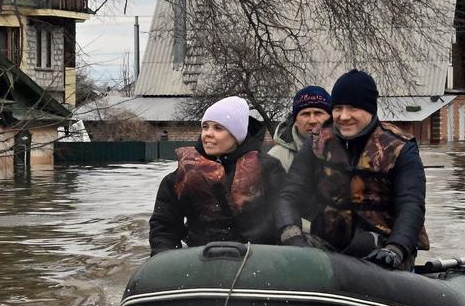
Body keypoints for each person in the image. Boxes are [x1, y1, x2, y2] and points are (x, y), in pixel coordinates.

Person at [276, 69, 429, 270]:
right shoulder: (316, 141)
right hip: (328, 244)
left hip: (382, 247)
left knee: (366, 244)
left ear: (370, 110)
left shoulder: (400, 147)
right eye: (338, 108)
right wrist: (291, 233)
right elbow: (289, 193)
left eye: (353, 108)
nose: (343, 116)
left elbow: (411, 204)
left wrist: (396, 247)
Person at [149, 95, 285, 255]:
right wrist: (167, 258)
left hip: (257, 260)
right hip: (201, 260)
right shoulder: (182, 175)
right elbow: (164, 226)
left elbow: (285, 216)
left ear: (236, 135)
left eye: (218, 128)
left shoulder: (269, 169)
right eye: (205, 127)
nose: (207, 134)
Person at [268, 85, 333, 172]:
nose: (312, 121)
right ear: (295, 121)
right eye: (305, 114)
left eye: (318, 113)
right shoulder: (276, 157)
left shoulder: (347, 151)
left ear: (330, 118)